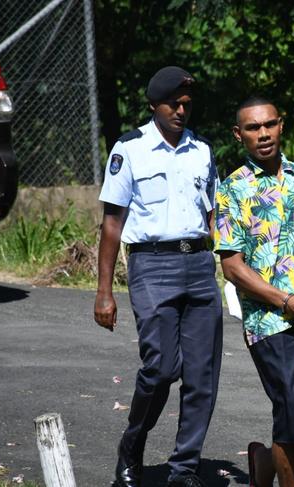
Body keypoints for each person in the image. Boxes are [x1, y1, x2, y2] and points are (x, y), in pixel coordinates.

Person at [93, 66, 222, 487]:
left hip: (200, 265)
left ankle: (184, 470)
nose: (182, 111)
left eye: (187, 104)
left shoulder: (202, 149)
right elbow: (113, 222)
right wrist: (104, 292)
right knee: (162, 368)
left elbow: (212, 215)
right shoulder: (130, 149)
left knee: (201, 375)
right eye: (173, 104)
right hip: (152, 265)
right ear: (154, 106)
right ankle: (133, 444)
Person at [213, 97, 294, 487]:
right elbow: (233, 266)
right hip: (269, 322)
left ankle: (263, 460)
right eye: (253, 128)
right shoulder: (232, 189)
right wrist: (285, 301)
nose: (264, 134)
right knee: (292, 418)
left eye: (269, 124)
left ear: (281, 125)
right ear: (239, 135)